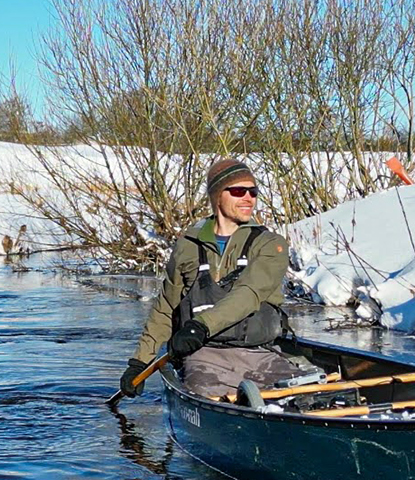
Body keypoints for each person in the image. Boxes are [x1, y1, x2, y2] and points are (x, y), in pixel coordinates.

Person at [120, 157, 301, 398]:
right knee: (204, 389)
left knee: (303, 397)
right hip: (204, 357)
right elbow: (166, 307)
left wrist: (200, 326)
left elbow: (249, 293)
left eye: (253, 191)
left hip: (262, 354)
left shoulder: (271, 245)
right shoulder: (187, 247)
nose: (248, 198)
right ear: (217, 196)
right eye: (238, 191)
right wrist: (140, 361)